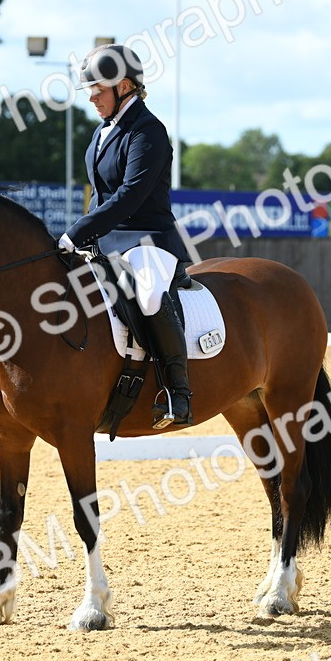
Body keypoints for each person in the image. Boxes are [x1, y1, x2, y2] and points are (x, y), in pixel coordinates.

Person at [57, 44, 193, 428]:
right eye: (90, 90)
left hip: (146, 238)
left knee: (149, 295)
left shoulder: (148, 131)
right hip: (105, 242)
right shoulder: (103, 131)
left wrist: (76, 232)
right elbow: (100, 197)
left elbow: (130, 196)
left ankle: (178, 393)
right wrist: (85, 239)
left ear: (125, 86)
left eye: (99, 90)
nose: (92, 98)